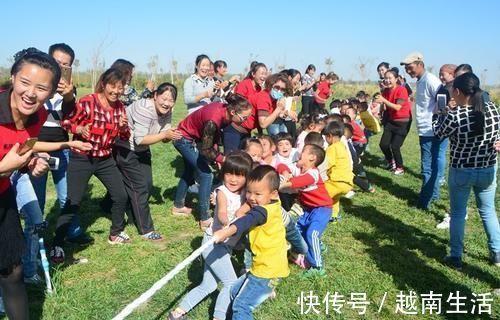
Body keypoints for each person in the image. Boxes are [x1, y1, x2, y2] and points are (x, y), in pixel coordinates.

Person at [0, 47, 59, 320]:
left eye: (41, 88)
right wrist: (4, 168)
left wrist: (30, 161)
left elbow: (23, 148)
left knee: (13, 271)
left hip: (3, 197)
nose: (31, 93)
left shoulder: (40, 115)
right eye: (24, 82)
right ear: (13, 78)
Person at [50, 68, 131, 263]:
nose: (116, 91)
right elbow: (66, 121)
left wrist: (123, 127)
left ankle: (115, 233)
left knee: (120, 195)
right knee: (73, 202)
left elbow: (125, 135)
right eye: (113, 86)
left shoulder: (120, 107)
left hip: (105, 159)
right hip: (82, 158)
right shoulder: (88, 101)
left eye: (120, 88)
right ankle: (57, 245)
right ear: (103, 84)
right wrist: (79, 128)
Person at [168, 152, 253, 320]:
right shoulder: (222, 192)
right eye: (229, 173)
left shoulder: (246, 195)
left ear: (247, 177)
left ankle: (177, 314)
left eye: (239, 175)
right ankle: (219, 317)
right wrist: (224, 222)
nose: (233, 179)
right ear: (223, 173)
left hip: (225, 246)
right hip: (213, 243)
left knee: (209, 285)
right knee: (231, 283)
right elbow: (221, 210)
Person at [432, 72, 500, 269]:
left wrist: (443, 111)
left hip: (462, 170)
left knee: (458, 213)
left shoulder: (456, 115)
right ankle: (496, 252)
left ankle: (456, 256)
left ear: (459, 92)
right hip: (487, 169)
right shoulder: (493, 110)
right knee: (488, 211)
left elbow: (438, 132)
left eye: (453, 91)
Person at [213, 165, 289, 320]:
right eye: (249, 191)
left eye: (257, 193)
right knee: (233, 291)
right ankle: (263, 292)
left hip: (266, 270)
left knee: (241, 306)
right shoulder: (273, 204)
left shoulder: (263, 211)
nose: (251, 197)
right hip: (268, 266)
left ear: (273, 193)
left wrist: (226, 232)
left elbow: (247, 221)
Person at [113, 83, 182, 240]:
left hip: (142, 150)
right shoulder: (144, 108)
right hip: (126, 148)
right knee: (139, 187)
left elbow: (163, 134)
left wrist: (170, 134)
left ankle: (107, 205)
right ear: (155, 96)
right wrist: (165, 135)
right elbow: (140, 139)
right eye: (164, 98)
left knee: (147, 184)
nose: (166, 103)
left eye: (171, 100)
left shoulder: (168, 110)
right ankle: (146, 230)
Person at [173, 94, 253, 229]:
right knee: (206, 175)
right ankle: (204, 218)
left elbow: (214, 137)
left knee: (189, 170)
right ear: (233, 112)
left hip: (192, 139)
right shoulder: (213, 119)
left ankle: (178, 206)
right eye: (243, 118)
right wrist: (223, 159)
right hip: (184, 140)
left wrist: (217, 155)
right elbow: (206, 150)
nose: (244, 121)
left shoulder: (225, 111)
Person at [278, 144, 333, 278]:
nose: (299, 154)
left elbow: (298, 182)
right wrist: (285, 173)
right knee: (298, 232)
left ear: (312, 158)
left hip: (323, 209)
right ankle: (318, 246)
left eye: (302, 152)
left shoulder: (313, 173)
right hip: (308, 210)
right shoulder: (298, 168)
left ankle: (317, 267)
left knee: (312, 233)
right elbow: (281, 165)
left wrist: (282, 184)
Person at [401, 52, 443, 210]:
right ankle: (433, 195)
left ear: (420, 64)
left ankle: (424, 202)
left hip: (430, 131)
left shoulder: (431, 80)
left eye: (410, 67)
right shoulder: (421, 80)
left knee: (428, 167)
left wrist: (439, 117)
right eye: (406, 69)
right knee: (433, 165)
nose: (409, 71)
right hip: (426, 130)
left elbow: (442, 96)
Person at [223, 62, 268, 154]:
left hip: (247, 130)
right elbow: (237, 104)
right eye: (261, 73)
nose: (263, 76)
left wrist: (260, 133)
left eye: (265, 74)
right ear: (253, 74)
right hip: (235, 128)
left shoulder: (259, 89)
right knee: (232, 156)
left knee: (244, 156)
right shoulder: (244, 84)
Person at [376, 69, 412, 175]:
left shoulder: (402, 90)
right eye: (385, 78)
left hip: (403, 122)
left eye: (389, 78)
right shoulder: (386, 91)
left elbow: (397, 107)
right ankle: (390, 161)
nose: (387, 80)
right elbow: (385, 107)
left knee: (395, 146)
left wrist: (384, 100)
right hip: (391, 121)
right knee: (383, 144)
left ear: (396, 79)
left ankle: (400, 167)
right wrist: (381, 106)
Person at [323, 121, 354, 218]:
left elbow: (327, 164)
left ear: (330, 136)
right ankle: (334, 216)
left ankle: (317, 216)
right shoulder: (342, 146)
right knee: (334, 199)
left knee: (321, 195)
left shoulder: (332, 148)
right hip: (348, 183)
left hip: (336, 181)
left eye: (326, 138)